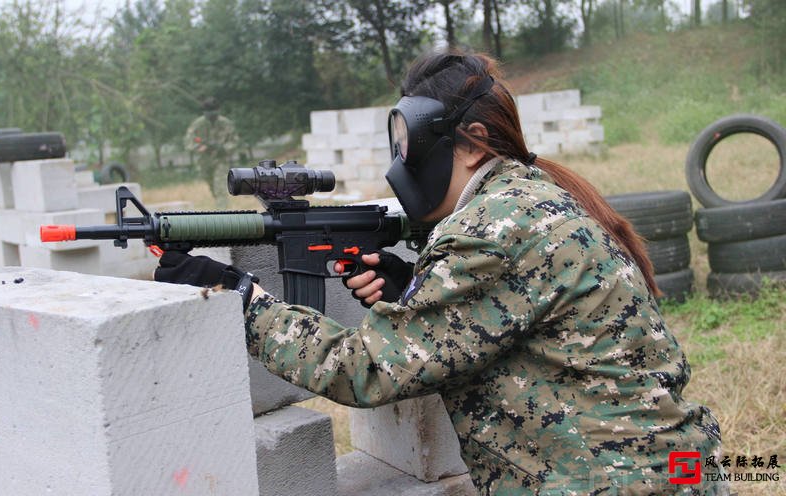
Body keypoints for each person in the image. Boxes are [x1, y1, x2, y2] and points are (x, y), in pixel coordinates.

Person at [157, 52, 729, 495]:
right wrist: (417, 289)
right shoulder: (537, 194)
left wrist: (241, 298)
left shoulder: (487, 227)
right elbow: (519, 319)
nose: (404, 164)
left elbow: (366, 370)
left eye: (416, 146)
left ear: (474, 145)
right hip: (670, 467)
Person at [184, 97, 239, 209]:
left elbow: (234, 141)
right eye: (209, 112)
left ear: (218, 110)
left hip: (221, 159)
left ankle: (222, 214)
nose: (212, 115)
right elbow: (188, 142)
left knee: (220, 189)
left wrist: (224, 148)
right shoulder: (198, 124)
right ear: (204, 112)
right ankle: (221, 207)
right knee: (213, 188)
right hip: (205, 161)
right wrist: (200, 148)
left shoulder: (226, 123)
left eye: (214, 111)